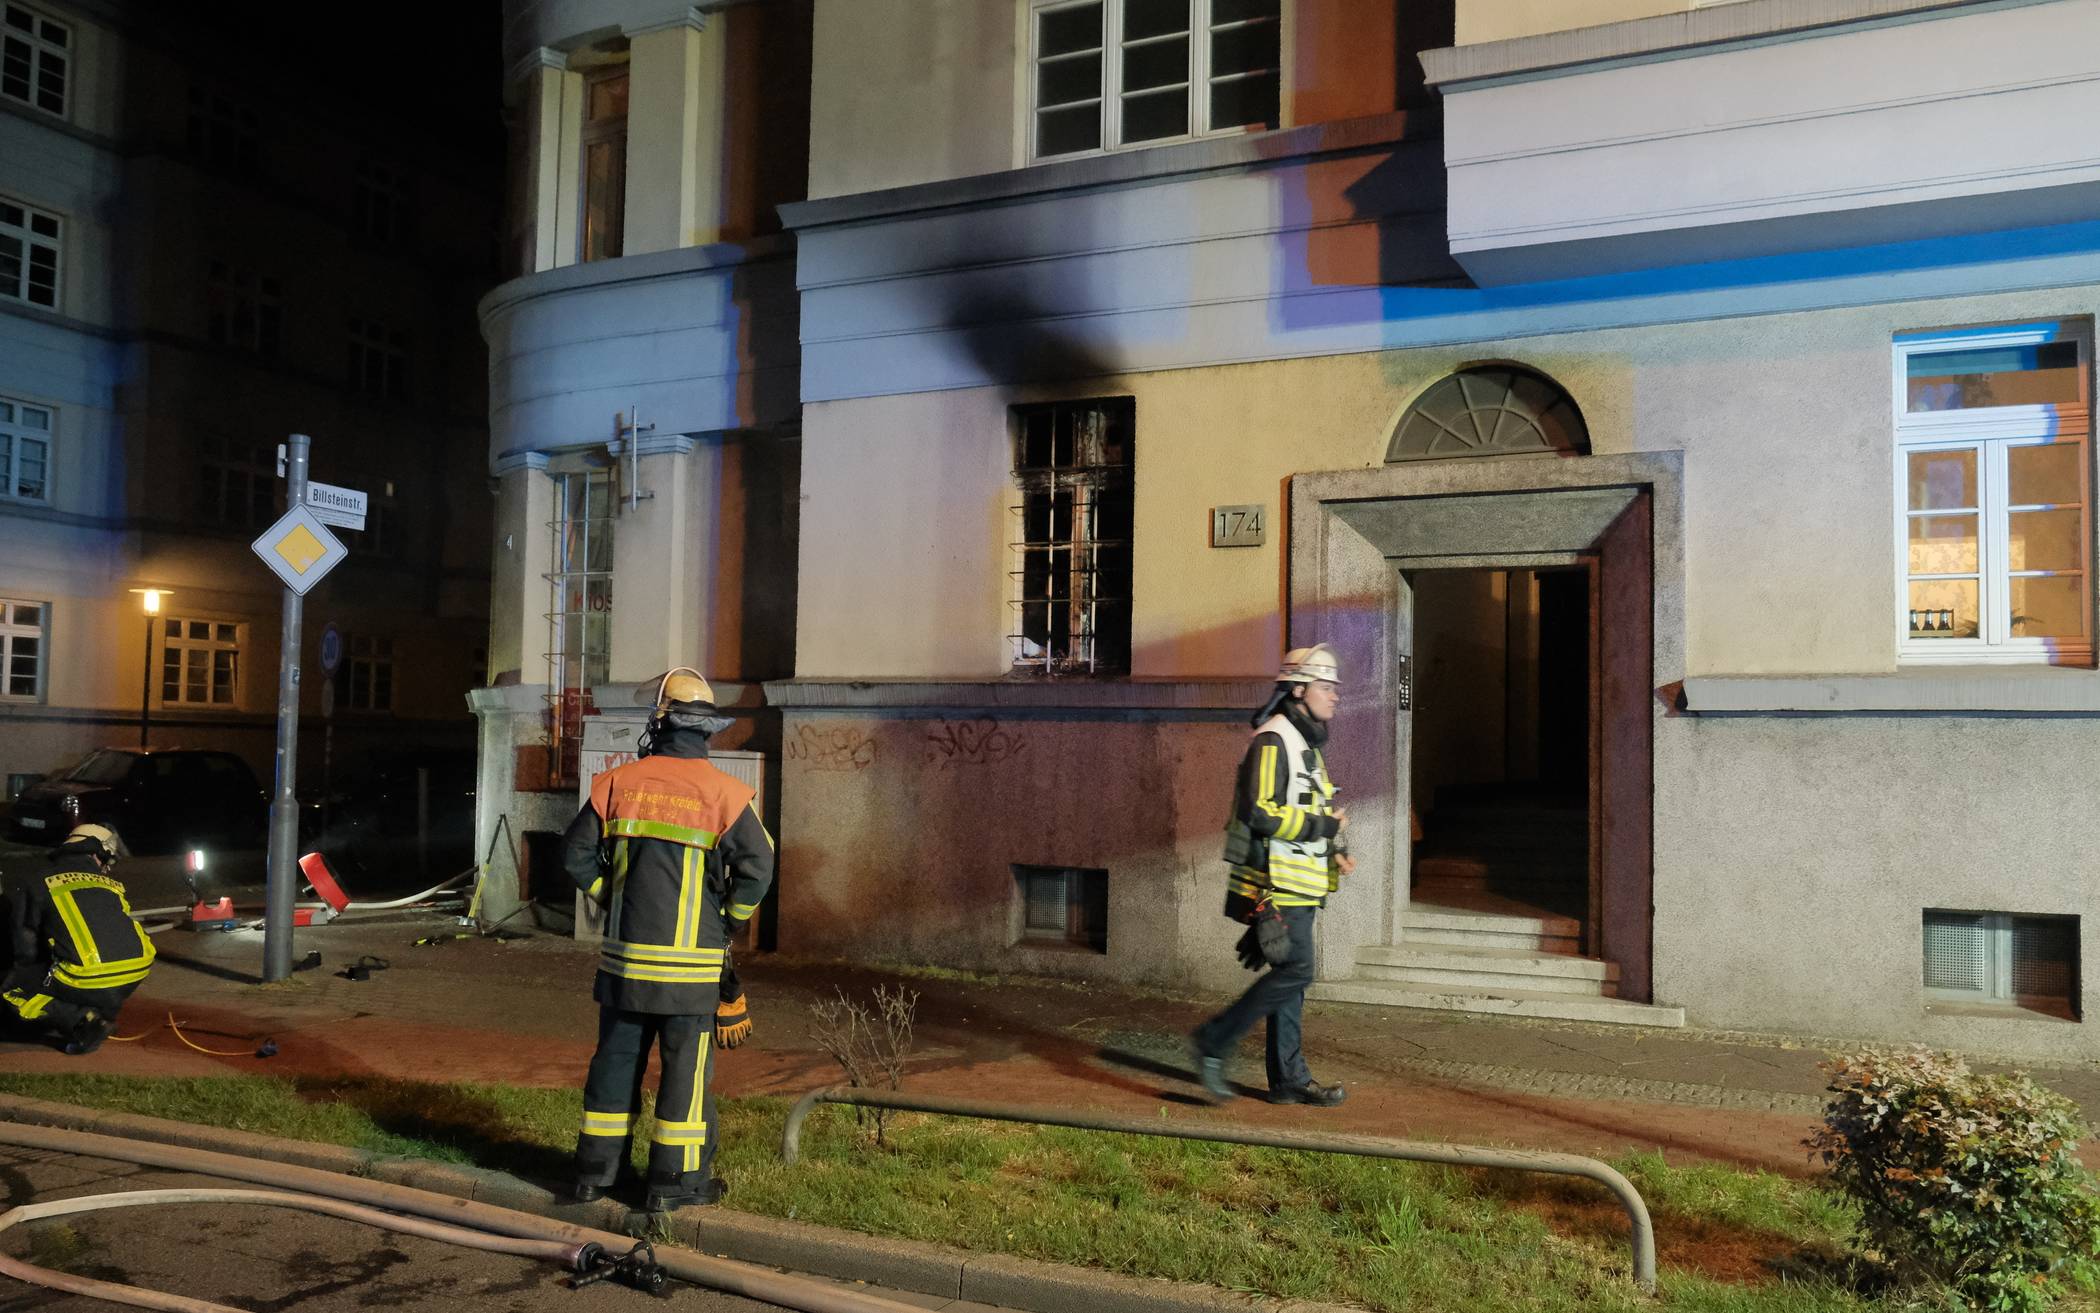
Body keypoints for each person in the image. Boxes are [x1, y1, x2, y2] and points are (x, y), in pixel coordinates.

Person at [562, 667, 774, 1211]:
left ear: (659, 721)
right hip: (690, 975)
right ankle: (672, 1187)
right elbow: (758, 868)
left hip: (625, 966)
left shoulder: (617, 784)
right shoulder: (726, 794)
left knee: (613, 1066)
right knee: (685, 1079)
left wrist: (613, 897)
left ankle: (593, 1177)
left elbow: (575, 856)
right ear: (708, 731)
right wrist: (728, 919)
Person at [1190, 645, 1353, 1107]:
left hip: (1302, 882)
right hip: (1277, 884)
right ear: (1298, 690)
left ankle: (1288, 1081)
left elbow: (1313, 804)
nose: (1335, 696)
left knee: (1292, 978)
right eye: (1326, 686)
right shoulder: (1273, 738)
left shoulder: (1306, 744)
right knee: (1298, 970)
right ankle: (1213, 1041)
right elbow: (1258, 812)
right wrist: (1323, 828)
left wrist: (1335, 847)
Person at [2, 824, 154, 1055]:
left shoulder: (40, 880)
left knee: (11, 988)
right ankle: (104, 1011)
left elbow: (25, 941)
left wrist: (29, 970)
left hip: (89, 975)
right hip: (138, 970)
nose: (106, 868)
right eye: (107, 861)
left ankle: (83, 1021)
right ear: (96, 854)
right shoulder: (110, 886)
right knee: (92, 972)